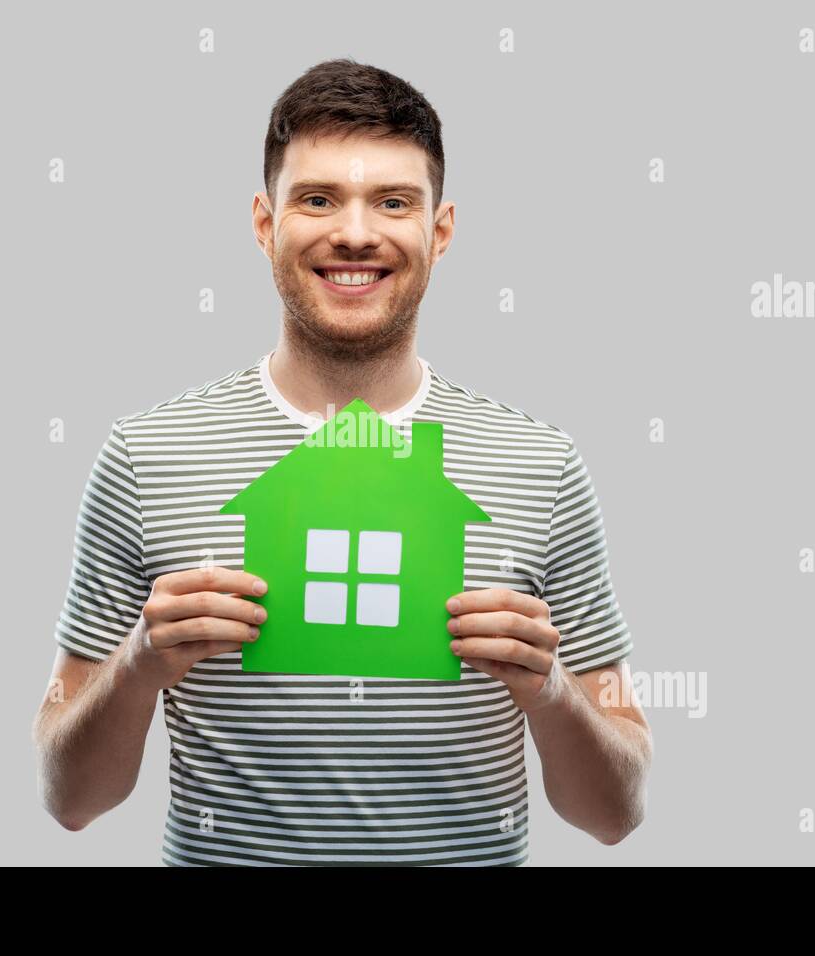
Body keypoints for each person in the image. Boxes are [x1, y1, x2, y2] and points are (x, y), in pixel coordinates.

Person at [33, 58, 652, 866]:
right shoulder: (146, 456)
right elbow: (68, 800)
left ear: (441, 230)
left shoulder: (542, 464)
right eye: (318, 198)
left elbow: (617, 814)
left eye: (393, 202)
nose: (355, 232)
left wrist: (552, 691)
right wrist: (137, 667)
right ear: (265, 224)